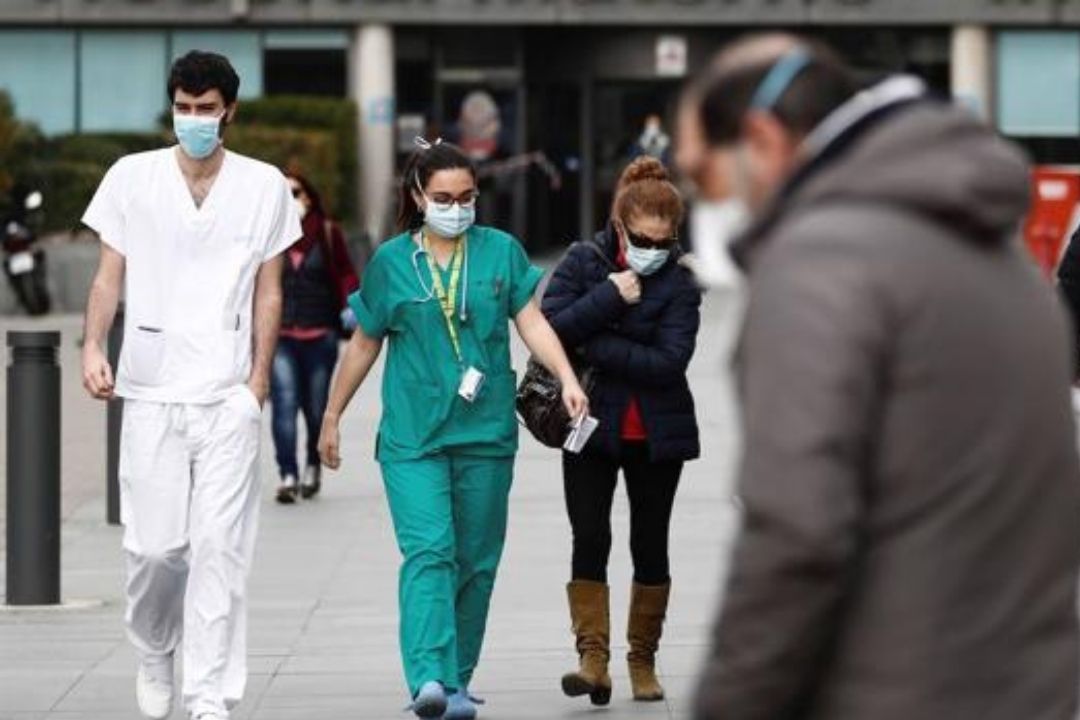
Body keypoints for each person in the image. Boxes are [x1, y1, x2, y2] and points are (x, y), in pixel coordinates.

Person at [679, 34, 1080, 720]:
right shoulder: (998, 253)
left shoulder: (818, 265)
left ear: (761, 139)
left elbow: (796, 538)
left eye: (702, 176)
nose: (702, 201)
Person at [317, 139, 589, 720]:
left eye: (467, 197)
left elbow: (531, 320)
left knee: (476, 561)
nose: (457, 207)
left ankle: (458, 679)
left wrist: (566, 375)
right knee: (430, 552)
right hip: (413, 439)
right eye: (443, 198)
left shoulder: (500, 252)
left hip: (485, 435)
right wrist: (333, 414)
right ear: (417, 196)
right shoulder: (392, 261)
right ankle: (429, 680)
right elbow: (365, 341)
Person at [79, 51, 301, 720]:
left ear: (229, 110)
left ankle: (208, 694)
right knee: (154, 549)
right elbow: (107, 275)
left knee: (218, 550)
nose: (195, 119)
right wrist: (92, 344)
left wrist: (257, 382)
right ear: (172, 105)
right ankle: (154, 648)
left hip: (227, 394)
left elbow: (269, 291)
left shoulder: (263, 186)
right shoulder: (132, 177)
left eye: (207, 109)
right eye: (184, 107)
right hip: (150, 390)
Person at [540, 156, 701, 706]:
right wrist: (609, 297)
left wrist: (597, 340)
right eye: (640, 238)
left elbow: (669, 362)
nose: (650, 249)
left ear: (674, 235)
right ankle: (593, 659)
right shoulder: (584, 262)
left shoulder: (680, 283)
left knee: (649, 544)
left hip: (658, 433)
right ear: (620, 226)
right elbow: (551, 329)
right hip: (590, 425)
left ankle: (642, 660)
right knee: (590, 537)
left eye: (661, 240)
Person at [272, 172, 360, 504]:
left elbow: (346, 270)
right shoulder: (269, 234)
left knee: (314, 407)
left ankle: (312, 467)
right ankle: (287, 474)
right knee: (283, 404)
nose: (290, 198)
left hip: (320, 333)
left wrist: (351, 300)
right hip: (281, 335)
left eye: (295, 192)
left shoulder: (326, 232)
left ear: (308, 196)